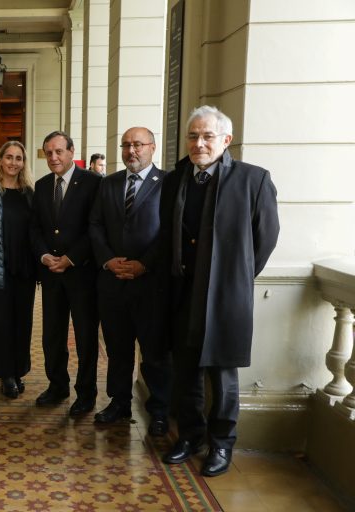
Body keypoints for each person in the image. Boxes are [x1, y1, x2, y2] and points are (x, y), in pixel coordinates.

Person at [159, 106, 279, 476]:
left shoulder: (253, 180)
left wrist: (235, 277)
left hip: (225, 296)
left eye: (207, 136)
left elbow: (266, 238)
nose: (199, 143)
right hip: (182, 292)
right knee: (185, 371)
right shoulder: (175, 178)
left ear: (225, 140)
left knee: (223, 376)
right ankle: (190, 436)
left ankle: (222, 445)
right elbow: (167, 233)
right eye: (193, 136)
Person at [89, 127, 171, 436]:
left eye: (138, 145)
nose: (131, 151)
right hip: (113, 282)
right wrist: (108, 260)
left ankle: (160, 409)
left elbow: (168, 232)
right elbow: (95, 224)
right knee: (117, 348)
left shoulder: (166, 183)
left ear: (152, 147)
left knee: (154, 351)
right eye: (126, 145)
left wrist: (144, 264)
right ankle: (119, 402)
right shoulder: (108, 184)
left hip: (150, 284)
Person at [30, 131, 101, 416]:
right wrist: (45, 256)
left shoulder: (94, 183)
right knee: (52, 335)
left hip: (82, 274)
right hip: (51, 275)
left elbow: (95, 226)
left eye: (59, 151)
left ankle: (86, 393)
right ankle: (57, 385)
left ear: (72, 152)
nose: (53, 157)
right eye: (48, 153)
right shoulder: (42, 185)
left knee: (85, 337)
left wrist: (71, 259)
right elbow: (35, 228)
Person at [0, 141, 36, 399]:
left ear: (24, 162)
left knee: (22, 322)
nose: (13, 162)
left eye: (18, 158)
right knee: (0, 323)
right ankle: (5, 374)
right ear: (0, 160)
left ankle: (18, 370)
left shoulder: (31, 193)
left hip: (24, 268)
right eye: (9, 157)